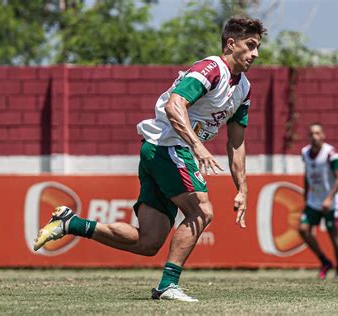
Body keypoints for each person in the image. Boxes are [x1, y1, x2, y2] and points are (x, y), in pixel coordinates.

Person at [34, 17, 267, 302]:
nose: (255, 54)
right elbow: (174, 105)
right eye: (251, 45)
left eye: (258, 47)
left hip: (159, 150)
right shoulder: (210, 69)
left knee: (148, 242)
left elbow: (236, 142)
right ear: (231, 44)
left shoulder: (243, 87)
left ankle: (70, 224)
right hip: (169, 146)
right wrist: (198, 146)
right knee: (202, 211)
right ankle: (168, 285)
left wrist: (242, 188)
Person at [298, 122, 338, 279]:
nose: (314, 137)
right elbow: (307, 174)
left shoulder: (330, 154)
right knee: (303, 230)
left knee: (333, 235)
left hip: (330, 202)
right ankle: (325, 261)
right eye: (311, 134)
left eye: (318, 133)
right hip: (314, 200)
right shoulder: (305, 153)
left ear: (323, 135)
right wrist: (306, 195)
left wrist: (329, 198)